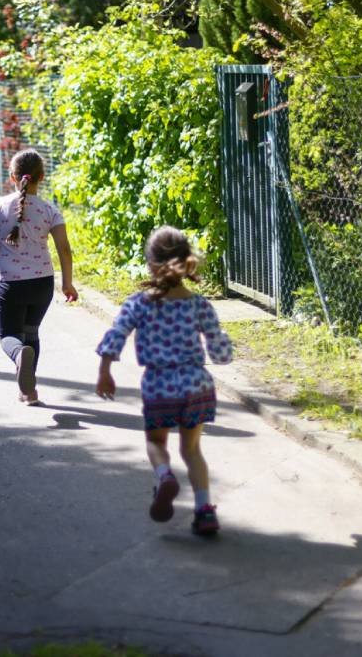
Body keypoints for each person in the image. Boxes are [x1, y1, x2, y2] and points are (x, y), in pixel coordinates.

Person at [95, 226, 232, 536]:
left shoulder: (139, 304)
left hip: (159, 387)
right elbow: (221, 352)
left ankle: (164, 476)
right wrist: (223, 345)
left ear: (150, 265)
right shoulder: (199, 305)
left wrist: (105, 371)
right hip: (197, 386)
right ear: (186, 262)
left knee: (156, 442)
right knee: (192, 450)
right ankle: (204, 509)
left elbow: (116, 335)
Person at [0, 149, 78, 404]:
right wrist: (67, 283)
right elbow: (64, 250)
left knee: (9, 338)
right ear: (42, 177)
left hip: (12, 285)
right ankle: (28, 391)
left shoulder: (0, 206)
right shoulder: (50, 210)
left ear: (12, 177)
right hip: (42, 285)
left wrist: (8, 258)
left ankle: (18, 360)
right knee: (31, 332)